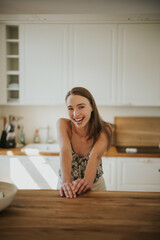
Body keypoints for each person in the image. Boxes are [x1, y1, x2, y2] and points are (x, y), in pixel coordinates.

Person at [56, 87, 112, 198]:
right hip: (66, 186)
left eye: (81, 107)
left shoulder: (105, 128)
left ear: (92, 107)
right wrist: (66, 182)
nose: (75, 114)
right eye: (70, 108)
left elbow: (95, 156)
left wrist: (87, 182)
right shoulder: (63, 124)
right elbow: (65, 151)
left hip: (95, 186)